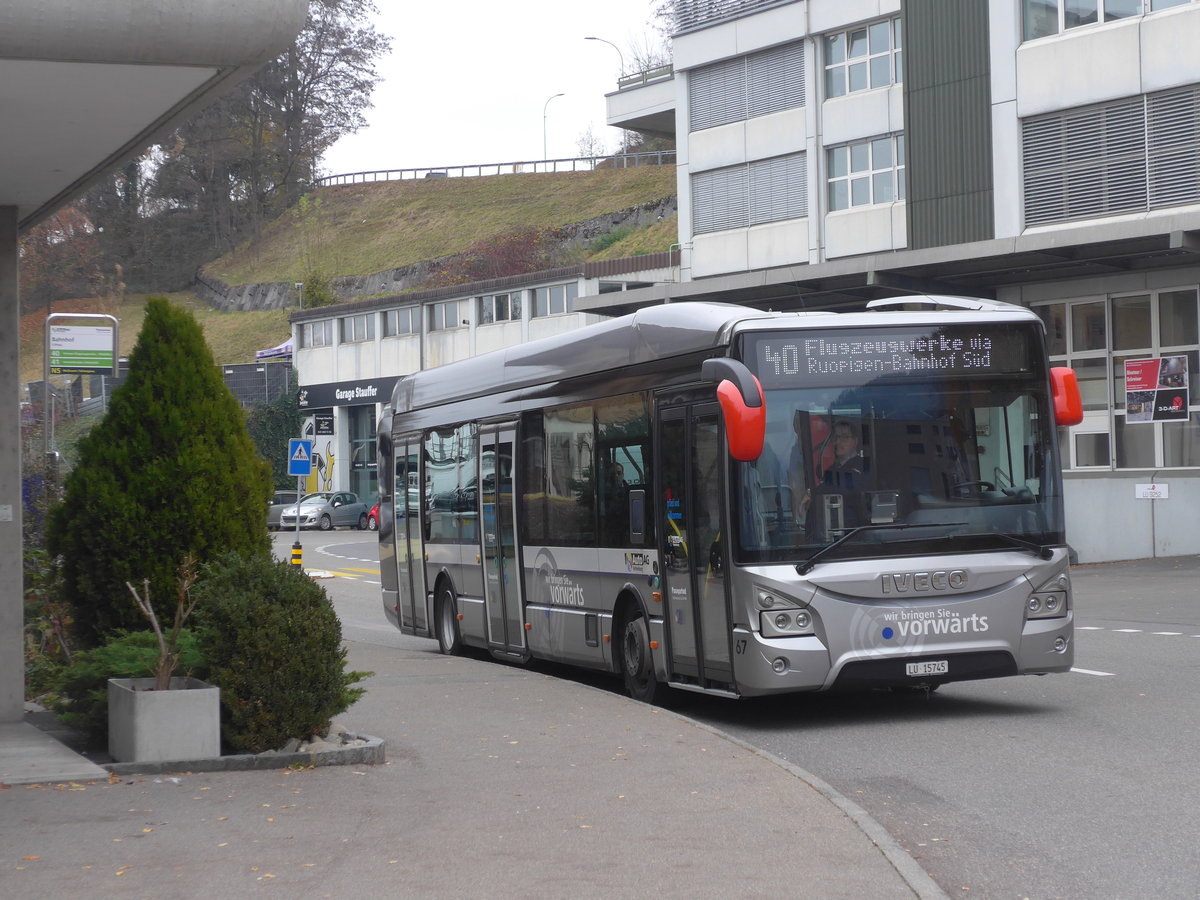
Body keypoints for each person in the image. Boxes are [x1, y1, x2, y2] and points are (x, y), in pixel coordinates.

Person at [797, 420, 866, 537]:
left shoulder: (861, 466)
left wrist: (812, 493)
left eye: (844, 438)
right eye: (836, 437)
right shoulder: (832, 469)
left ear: (855, 441)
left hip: (853, 535)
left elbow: (843, 487)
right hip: (829, 534)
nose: (838, 442)